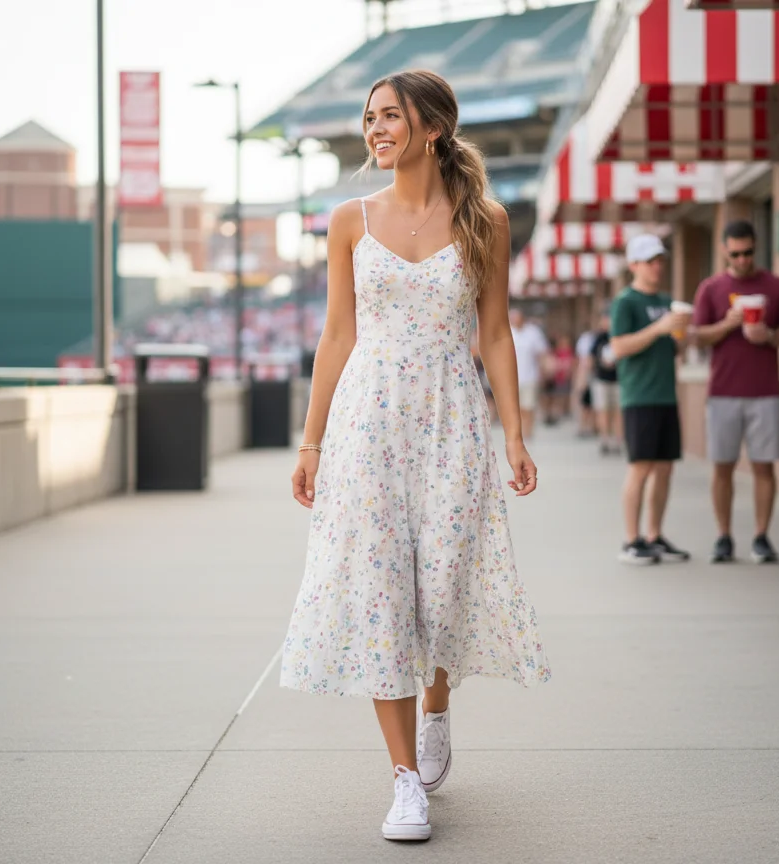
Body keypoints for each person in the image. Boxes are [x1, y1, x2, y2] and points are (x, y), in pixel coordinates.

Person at [284, 69, 551, 843]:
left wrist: (514, 433)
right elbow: (337, 336)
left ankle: (437, 706)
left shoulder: (486, 221)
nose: (375, 129)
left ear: (432, 127)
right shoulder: (349, 221)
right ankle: (405, 780)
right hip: (367, 426)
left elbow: (494, 334)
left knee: (442, 586)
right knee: (382, 595)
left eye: (389, 116)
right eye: (369, 118)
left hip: (451, 422)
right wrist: (311, 441)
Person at [691, 220, 779, 564]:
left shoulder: (776, 286)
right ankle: (723, 536)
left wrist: (769, 335)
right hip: (723, 391)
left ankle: (761, 537)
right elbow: (696, 336)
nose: (742, 260)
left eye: (748, 252)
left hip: (765, 391)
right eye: (735, 254)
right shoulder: (711, 288)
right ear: (724, 250)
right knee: (722, 467)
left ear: (756, 247)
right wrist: (728, 323)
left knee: (764, 467)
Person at [609, 234, 692, 564]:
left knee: (665, 469)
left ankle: (654, 535)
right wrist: (659, 328)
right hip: (639, 396)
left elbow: (674, 349)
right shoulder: (625, 302)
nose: (657, 267)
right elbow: (619, 347)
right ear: (633, 265)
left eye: (660, 261)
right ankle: (631, 540)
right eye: (650, 261)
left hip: (666, 395)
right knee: (640, 468)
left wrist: (682, 335)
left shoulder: (666, 300)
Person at [510, 307, 549, 439]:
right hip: (512, 378)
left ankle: (528, 432)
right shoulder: (509, 332)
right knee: (516, 408)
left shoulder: (533, 332)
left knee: (528, 406)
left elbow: (542, 354)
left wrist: (544, 372)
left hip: (529, 376)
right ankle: (518, 433)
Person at [589, 309, 621, 454]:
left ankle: (617, 440)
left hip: (618, 379)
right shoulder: (599, 338)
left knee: (617, 412)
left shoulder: (619, 335)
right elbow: (591, 357)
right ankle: (605, 439)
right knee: (603, 410)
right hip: (601, 379)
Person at [573, 324, 598, 437]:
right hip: (586, 375)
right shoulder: (586, 339)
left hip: (596, 376)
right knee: (584, 403)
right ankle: (583, 426)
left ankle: (592, 426)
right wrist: (581, 377)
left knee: (594, 404)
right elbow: (581, 360)